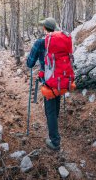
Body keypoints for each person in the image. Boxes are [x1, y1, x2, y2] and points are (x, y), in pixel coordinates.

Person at [26, 17, 62, 151]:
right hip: (61, 79)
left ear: (44, 28)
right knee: (55, 106)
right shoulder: (61, 41)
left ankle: (55, 141)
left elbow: (29, 63)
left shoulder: (40, 43)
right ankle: (55, 128)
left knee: (50, 110)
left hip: (49, 81)